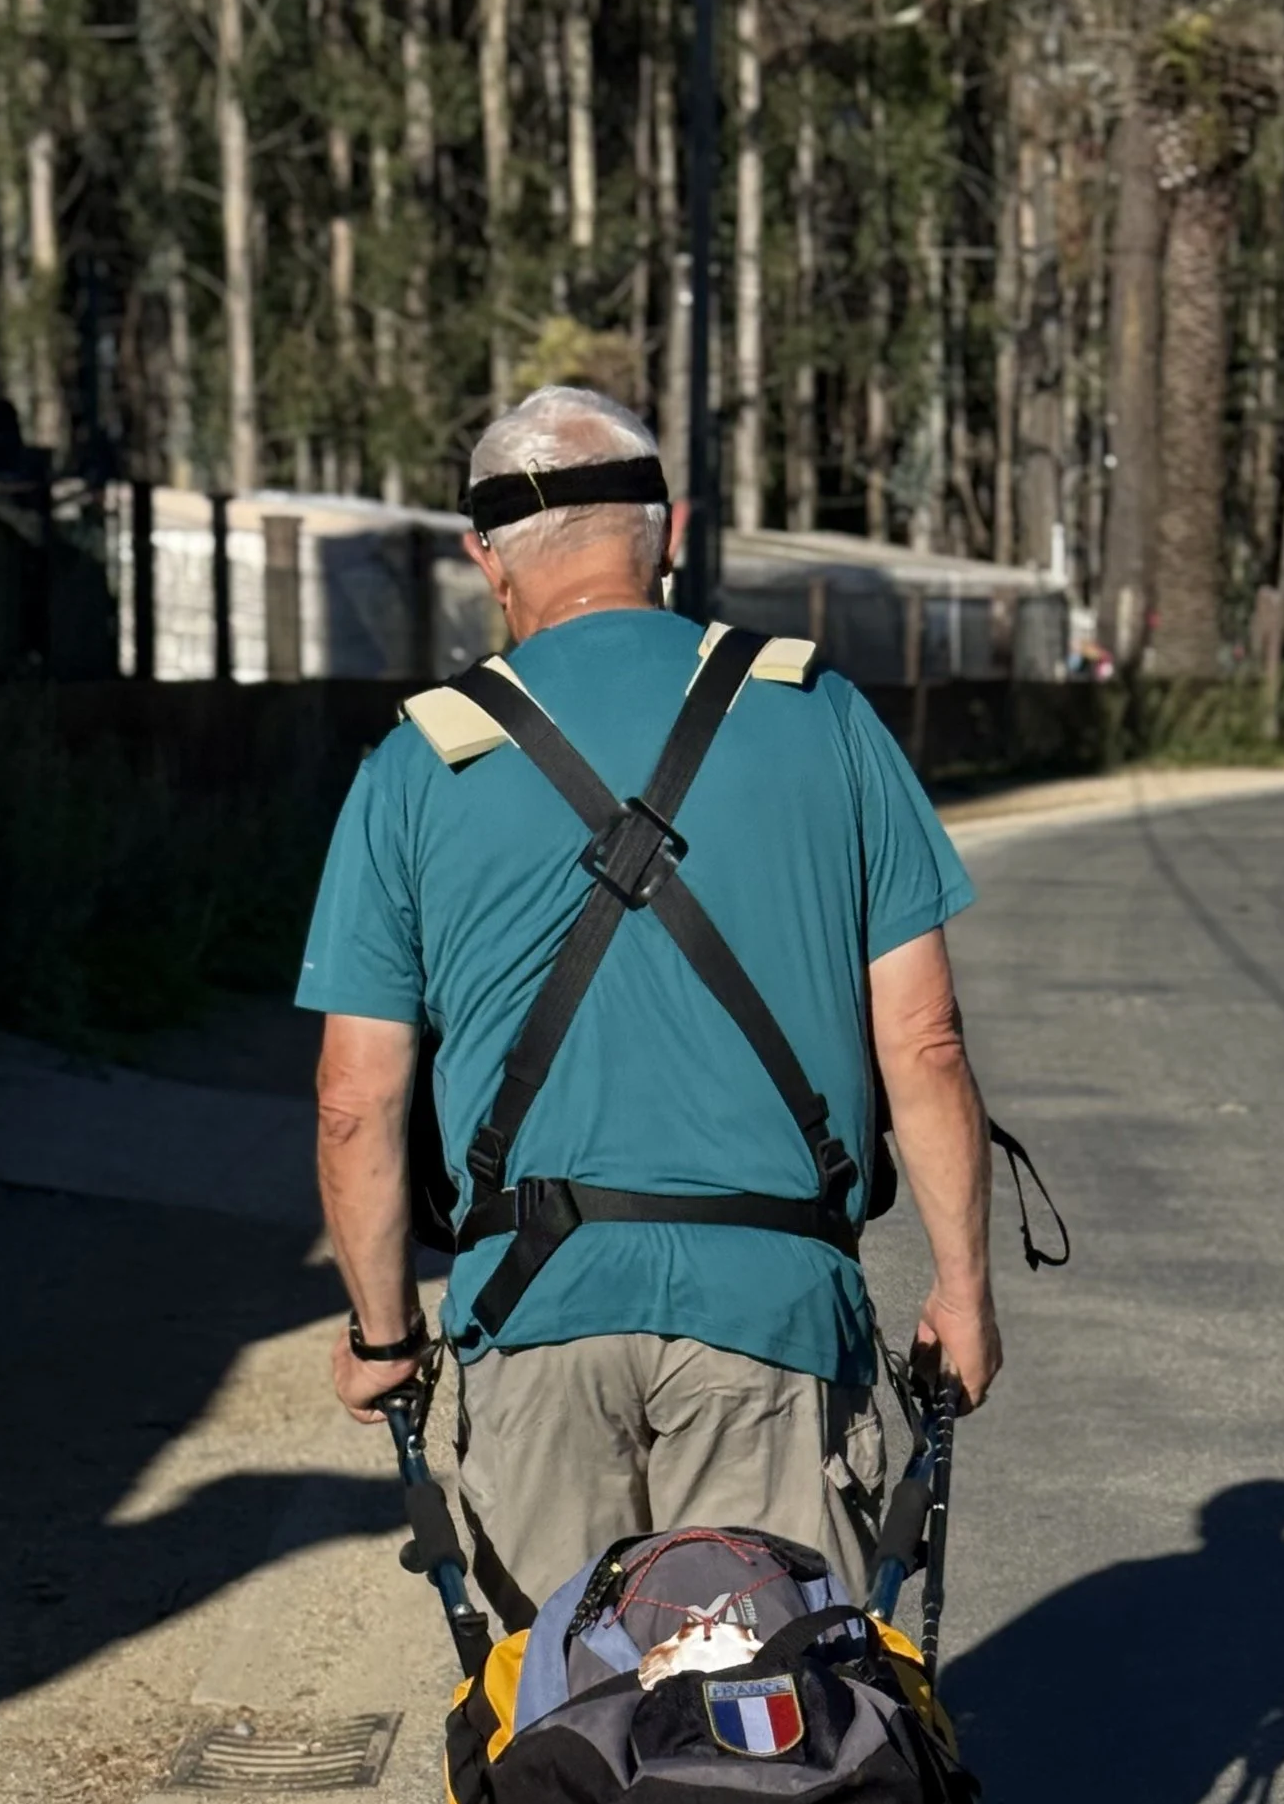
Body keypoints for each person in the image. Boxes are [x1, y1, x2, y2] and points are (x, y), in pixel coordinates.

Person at [295, 383, 1001, 1622]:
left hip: (534, 1309)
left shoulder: (414, 763)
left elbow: (355, 1100)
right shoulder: (820, 714)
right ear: (666, 534)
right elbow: (924, 1040)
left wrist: (384, 1335)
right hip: (775, 1311)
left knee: (569, 1702)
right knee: (776, 1701)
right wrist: (961, 1292)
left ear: (485, 560)